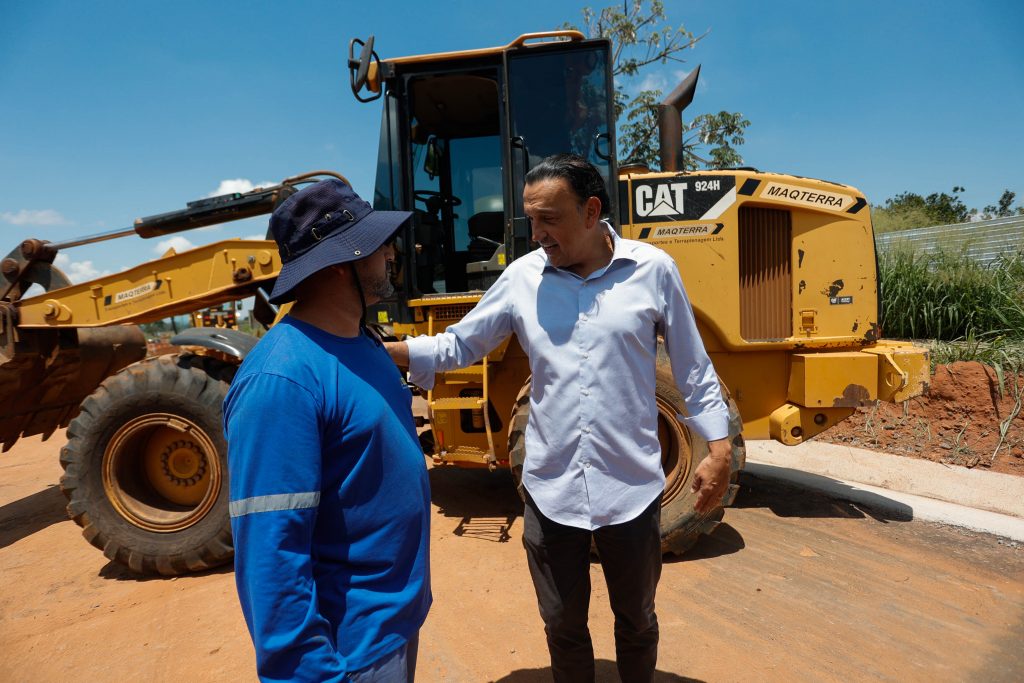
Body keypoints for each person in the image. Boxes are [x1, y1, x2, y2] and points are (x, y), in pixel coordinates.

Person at [386, 154, 733, 682]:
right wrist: (390, 352)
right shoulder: (522, 278)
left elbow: (692, 365)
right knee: (562, 626)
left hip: (632, 490)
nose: (537, 234)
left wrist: (720, 449)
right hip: (551, 491)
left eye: (549, 219)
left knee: (637, 621)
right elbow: (461, 343)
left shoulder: (653, 270)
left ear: (592, 211)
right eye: (531, 220)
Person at [223, 179, 431, 682]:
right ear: (340, 263)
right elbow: (272, 554)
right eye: (377, 242)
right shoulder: (281, 381)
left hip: (393, 626)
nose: (389, 252)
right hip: (351, 654)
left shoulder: (365, 346)